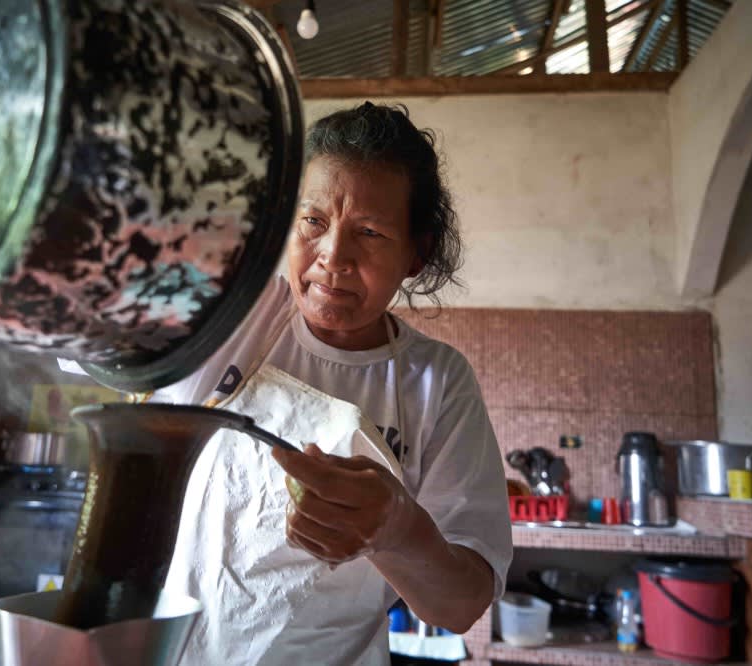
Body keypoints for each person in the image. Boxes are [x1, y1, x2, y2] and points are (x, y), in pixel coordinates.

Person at [149, 102, 512, 665]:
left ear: (416, 254)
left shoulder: (436, 381)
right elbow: (95, 339)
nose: (333, 257)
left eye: (369, 232)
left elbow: (460, 606)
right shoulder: (229, 318)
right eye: (313, 221)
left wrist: (397, 530)